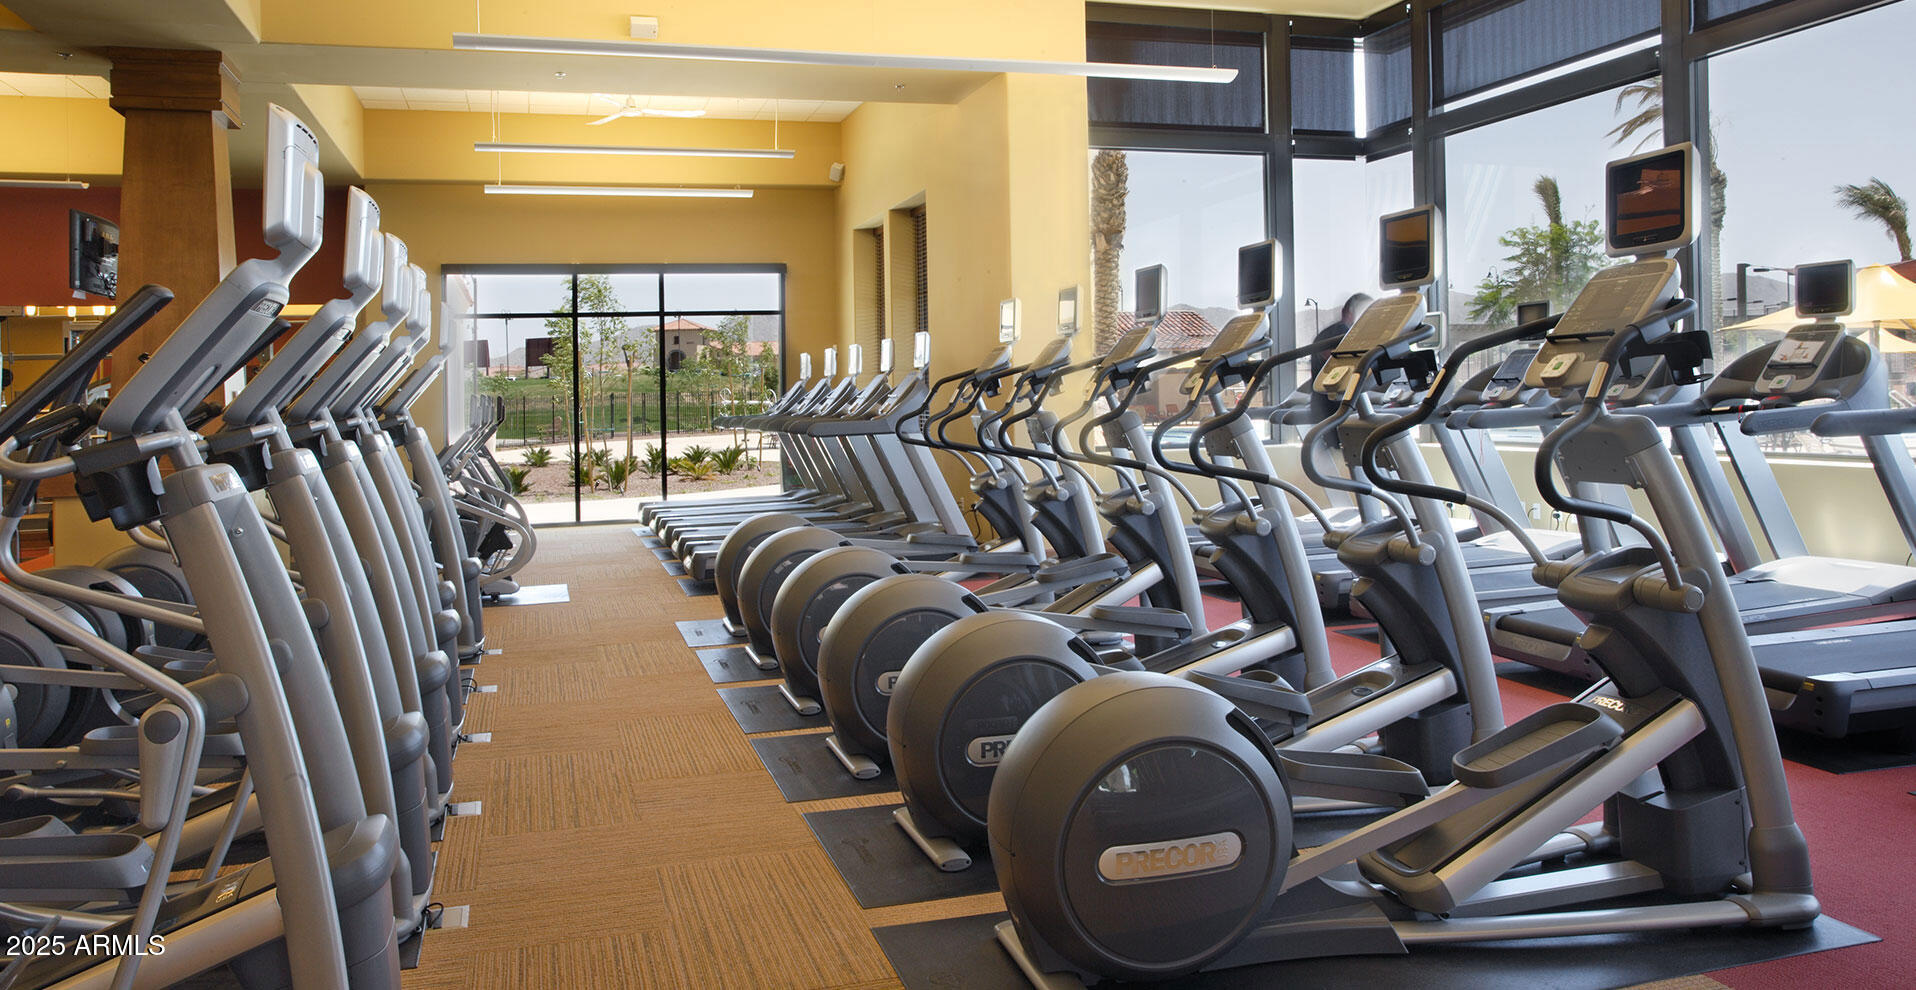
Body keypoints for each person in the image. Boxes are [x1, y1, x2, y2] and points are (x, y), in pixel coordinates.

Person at [1308, 292, 1373, 422]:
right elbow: (1333, 360)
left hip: (1322, 404)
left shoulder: (1327, 333)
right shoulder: (1344, 333)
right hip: (1335, 404)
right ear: (1348, 312)